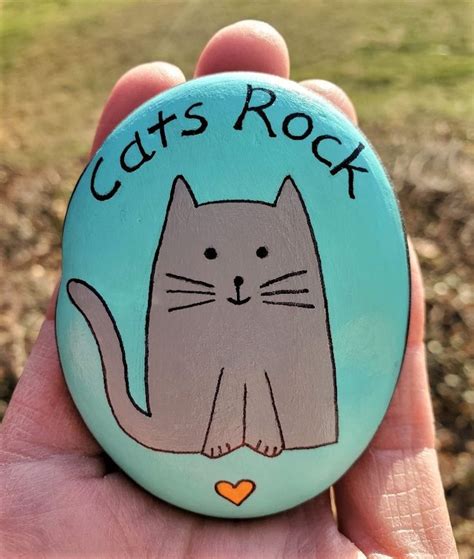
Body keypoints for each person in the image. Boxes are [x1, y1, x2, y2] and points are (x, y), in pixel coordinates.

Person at [0, 20, 457, 558]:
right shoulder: (183, 293)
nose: (238, 278)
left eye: (264, 255)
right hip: (174, 439)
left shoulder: (294, 293)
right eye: (211, 257)